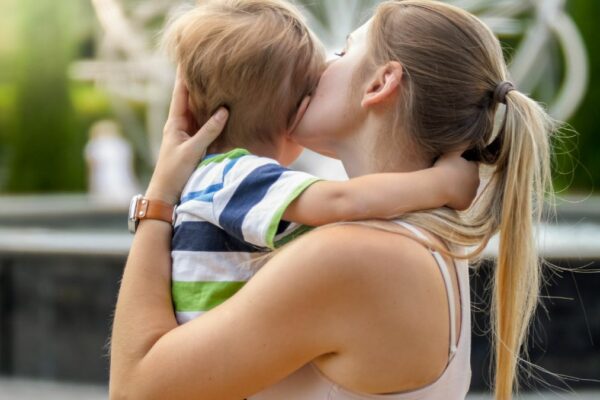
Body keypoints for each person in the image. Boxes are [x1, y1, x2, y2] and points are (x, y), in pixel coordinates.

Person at [110, 1, 554, 399]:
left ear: (381, 83)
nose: (322, 65)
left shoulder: (352, 257)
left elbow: (134, 391)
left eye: (343, 51)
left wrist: (161, 197)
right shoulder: (425, 240)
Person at [161, 0, 478, 324]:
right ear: (293, 119)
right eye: (310, 87)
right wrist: (443, 184)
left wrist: (156, 199)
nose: (328, 68)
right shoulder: (234, 176)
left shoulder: (224, 180)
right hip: (214, 357)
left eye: (342, 52)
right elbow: (344, 200)